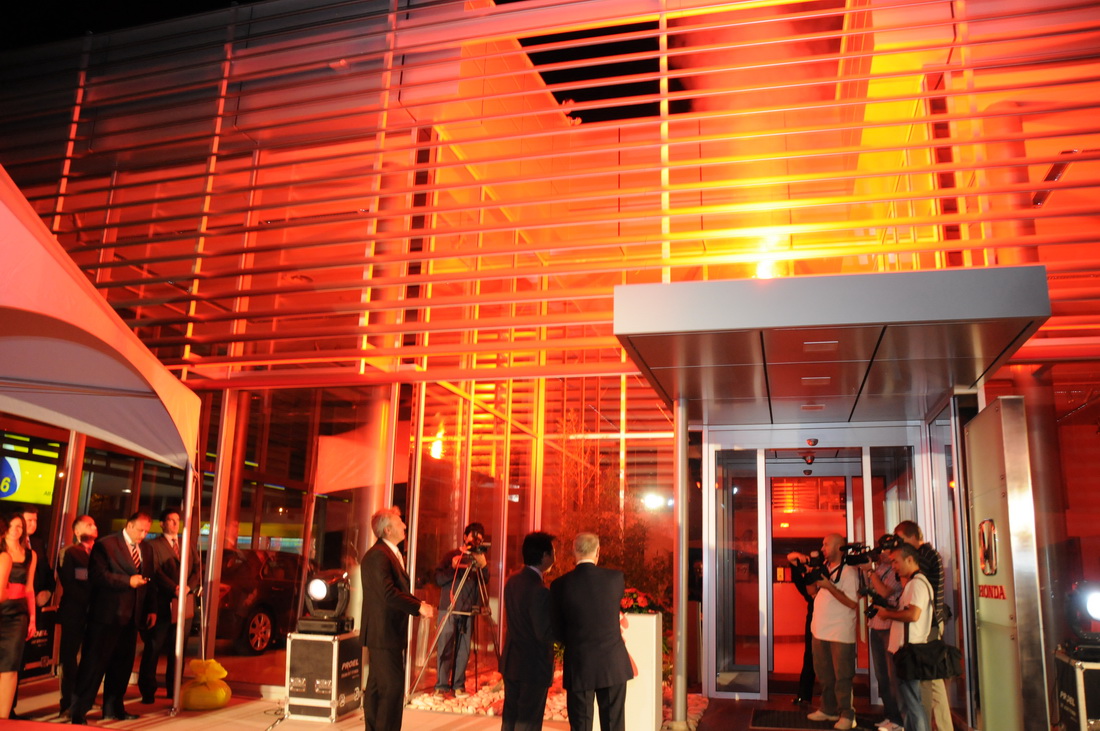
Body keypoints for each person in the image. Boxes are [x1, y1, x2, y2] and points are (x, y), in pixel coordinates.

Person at [69, 511, 157, 725]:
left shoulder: (146, 548)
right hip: (106, 616)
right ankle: (79, 710)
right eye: (140, 530)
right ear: (129, 525)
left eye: (146, 531)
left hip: (132, 616)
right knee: (94, 664)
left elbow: (150, 580)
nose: (143, 535)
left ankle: (114, 707)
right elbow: (98, 576)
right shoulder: (106, 545)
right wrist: (128, 581)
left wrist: (151, 609)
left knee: (122, 665)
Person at [360, 506, 435, 731]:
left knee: (378, 687)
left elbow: (395, 591)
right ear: (388, 529)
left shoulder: (389, 553)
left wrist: (417, 604)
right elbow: (388, 593)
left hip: (387, 632)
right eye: (400, 522)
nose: (404, 525)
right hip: (383, 633)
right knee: (391, 688)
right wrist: (418, 607)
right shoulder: (378, 555)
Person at [550, 533, 634, 731]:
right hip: (612, 663)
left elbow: (557, 630)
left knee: (581, 724)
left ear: (574, 551)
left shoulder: (560, 585)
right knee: (613, 725)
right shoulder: (615, 578)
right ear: (598, 552)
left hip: (579, 664)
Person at [139, 507, 199, 704]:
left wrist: (188, 587)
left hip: (184, 602)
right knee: (154, 647)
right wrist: (174, 588)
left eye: (177, 520)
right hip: (163, 602)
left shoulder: (186, 543)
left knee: (178, 647)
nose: (175, 524)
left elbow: (197, 568)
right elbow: (155, 570)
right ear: (162, 524)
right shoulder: (153, 545)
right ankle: (148, 689)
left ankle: (174, 688)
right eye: (171, 520)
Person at [895, 520, 951, 731]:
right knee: (932, 682)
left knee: (928, 682)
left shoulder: (925, 556)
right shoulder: (928, 554)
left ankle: (930, 727)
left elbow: (914, 584)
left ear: (911, 536)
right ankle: (942, 727)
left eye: (900, 539)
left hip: (929, 625)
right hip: (931, 623)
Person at [501, 531, 556, 731]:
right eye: (553, 552)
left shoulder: (512, 581)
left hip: (512, 661)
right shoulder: (540, 590)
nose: (555, 556)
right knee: (528, 721)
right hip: (533, 665)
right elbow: (544, 632)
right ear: (544, 556)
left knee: (510, 718)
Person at [877, 543, 933, 731]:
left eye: (896, 561)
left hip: (909, 650)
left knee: (913, 703)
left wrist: (887, 614)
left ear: (909, 559)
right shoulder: (915, 583)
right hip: (907, 650)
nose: (893, 566)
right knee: (910, 703)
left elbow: (913, 615)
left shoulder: (916, 584)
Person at [807, 533, 860, 731]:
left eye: (826, 544)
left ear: (839, 547)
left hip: (840, 632)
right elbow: (811, 592)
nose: (822, 548)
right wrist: (811, 576)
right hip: (820, 630)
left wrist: (829, 586)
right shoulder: (825, 568)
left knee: (842, 676)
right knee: (825, 675)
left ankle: (847, 714)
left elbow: (852, 603)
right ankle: (828, 709)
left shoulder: (849, 572)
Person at [433, 521, 488, 697]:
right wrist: (453, 567)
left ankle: (458, 685)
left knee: (463, 649)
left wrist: (483, 565)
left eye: (479, 539)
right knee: (445, 646)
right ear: (465, 537)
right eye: (472, 537)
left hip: (468, 609)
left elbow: (485, 580)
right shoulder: (452, 555)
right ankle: (441, 686)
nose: (475, 541)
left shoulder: (478, 558)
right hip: (449, 608)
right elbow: (439, 579)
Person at [860, 535, 904, 731]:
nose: (884, 554)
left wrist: (870, 572)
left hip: (889, 627)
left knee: (892, 676)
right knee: (881, 675)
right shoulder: (879, 569)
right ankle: (890, 715)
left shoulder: (896, 571)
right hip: (876, 625)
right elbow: (869, 589)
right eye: (882, 550)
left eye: (887, 550)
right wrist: (867, 571)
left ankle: (899, 720)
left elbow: (885, 592)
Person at [56, 515, 97, 719]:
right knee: (69, 659)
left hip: (96, 614)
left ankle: (84, 700)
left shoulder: (101, 552)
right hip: (74, 612)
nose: (94, 527)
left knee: (90, 658)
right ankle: (67, 702)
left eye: (94, 524)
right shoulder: (69, 552)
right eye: (89, 525)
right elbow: (69, 583)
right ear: (77, 530)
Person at [0, 514, 36, 720]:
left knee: (11, 665)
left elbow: (29, 588)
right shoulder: (1, 553)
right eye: (12, 526)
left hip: (17, 614)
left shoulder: (30, 555)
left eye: (20, 527)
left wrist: (33, 619)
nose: (16, 530)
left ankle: (4, 718)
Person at [786, 550, 818, 705]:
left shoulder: (827, 572)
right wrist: (803, 560)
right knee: (809, 656)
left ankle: (832, 702)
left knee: (829, 660)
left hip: (830, 619)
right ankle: (804, 694)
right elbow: (791, 558)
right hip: (813, 617)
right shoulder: (806, 577)